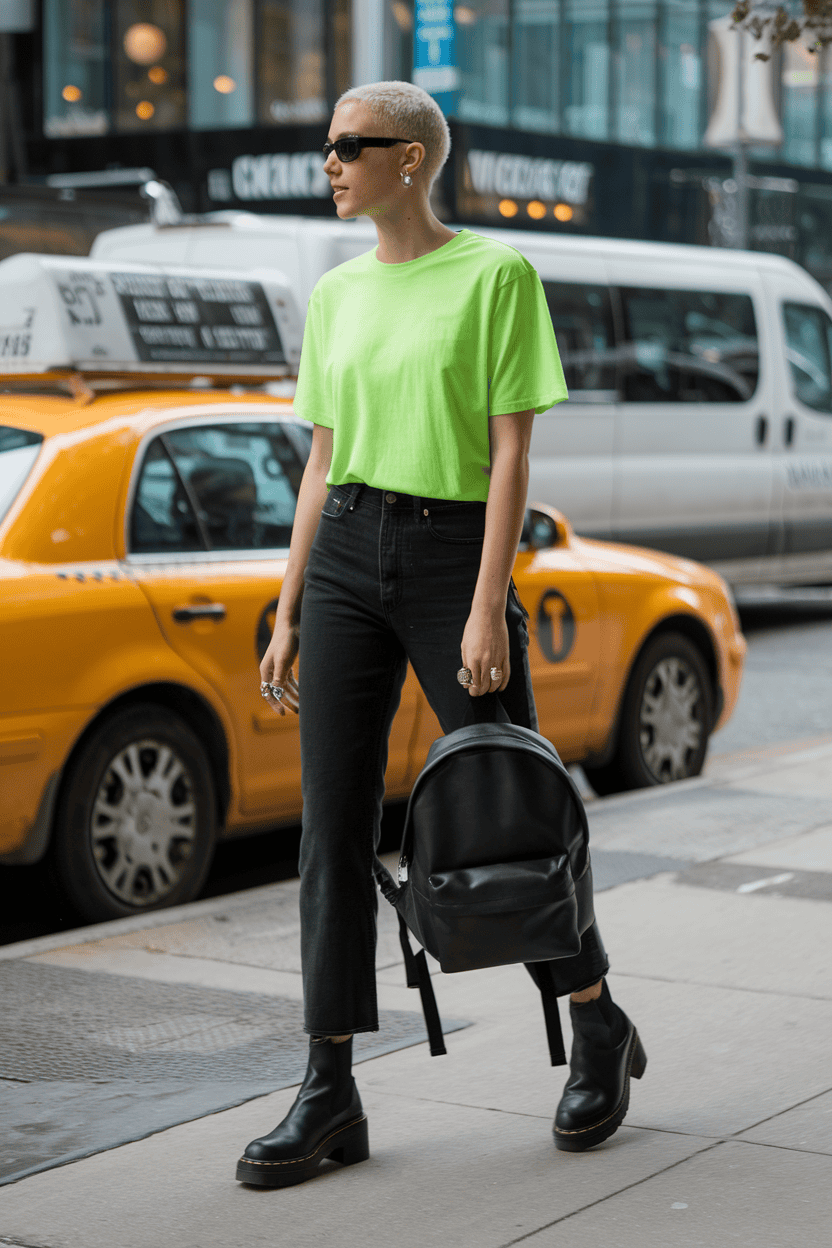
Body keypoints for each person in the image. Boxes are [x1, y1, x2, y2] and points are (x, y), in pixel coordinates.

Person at [235, 81, 645, 1189]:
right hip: (343, 562)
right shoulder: (335, 295)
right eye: (324, 146)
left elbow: (511, 454)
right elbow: (322, 459)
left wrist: (481, 601)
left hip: (449, 558)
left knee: (506, 813)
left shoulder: (495, 275)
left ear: (409, 158)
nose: (328, 161)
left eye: (346, 146)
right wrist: (286, 604)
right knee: (330, 830)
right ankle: (329, 1088)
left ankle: (595, 1019)